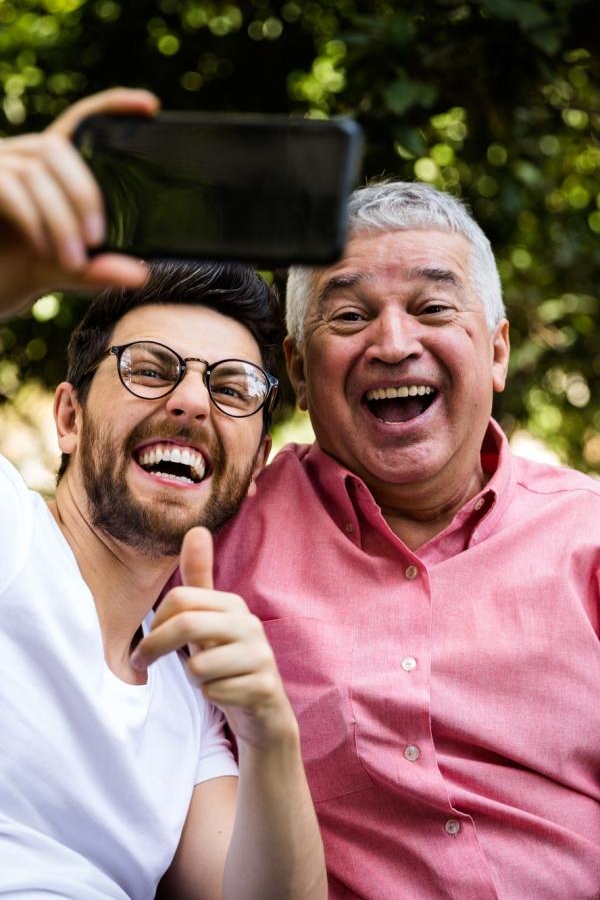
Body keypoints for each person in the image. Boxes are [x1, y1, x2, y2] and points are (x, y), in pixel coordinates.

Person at [213, 180, 600, 898]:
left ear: (497, 351)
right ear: (298, 370)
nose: (393, 343)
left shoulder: (589, 536)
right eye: (351, 314)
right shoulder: (224, 536)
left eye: (432, 308)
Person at [0, 89, 326, 899]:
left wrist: (271, 731)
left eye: (232, 384)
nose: (190, 401)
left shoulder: (188, 699)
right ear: (70, 417)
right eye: (150, 367)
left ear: (252, 467)